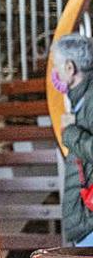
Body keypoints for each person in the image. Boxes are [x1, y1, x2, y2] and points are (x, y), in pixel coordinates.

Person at [51, 34, 93, 245]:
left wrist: (69, 133)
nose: (54, 72)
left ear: (70, 67)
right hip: (85, 218)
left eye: (57, 65)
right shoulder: (80, 98)